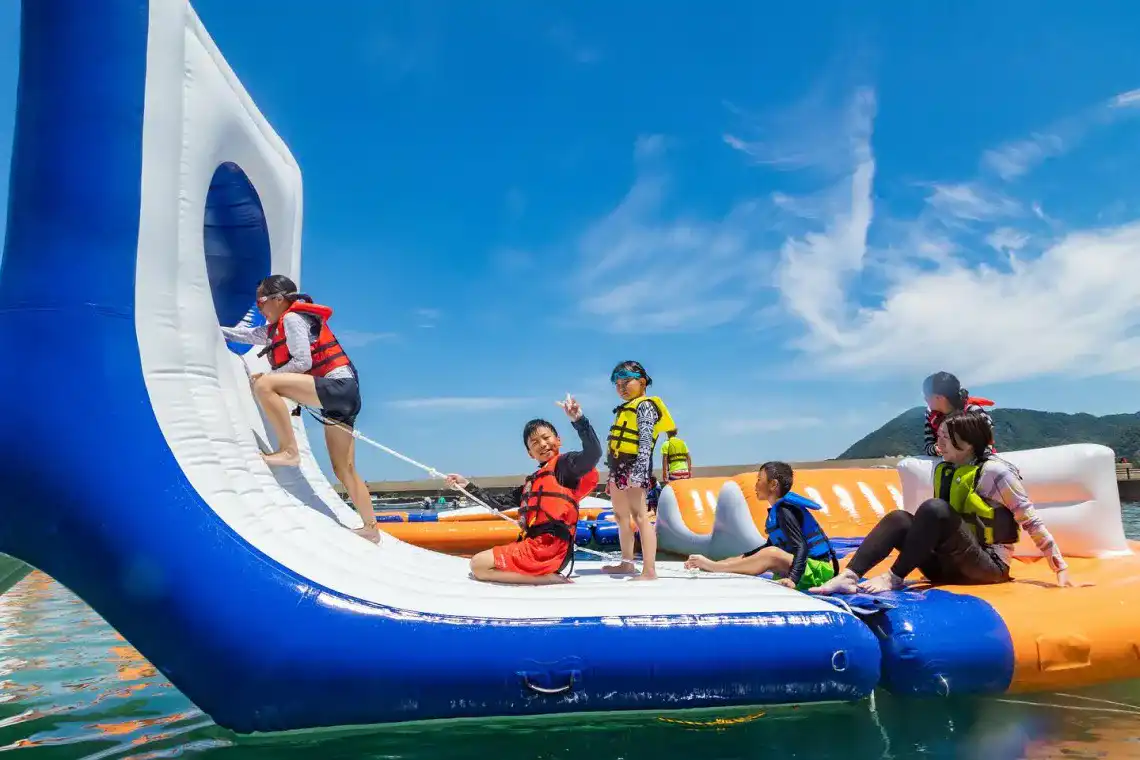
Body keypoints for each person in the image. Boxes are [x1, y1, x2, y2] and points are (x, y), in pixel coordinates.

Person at [813, 411, 1082, 596]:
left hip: (987, 568)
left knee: (935, 508)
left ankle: (894, 577)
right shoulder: (948, 470)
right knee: (899, 518)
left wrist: (1060, 566)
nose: (937, 443)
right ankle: (849, 577)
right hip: (946, 566)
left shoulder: (996, 473)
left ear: (966, 443)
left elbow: (1030, 519)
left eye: (944, 437)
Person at [221, 275, 377, 540]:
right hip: (345, 397)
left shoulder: (292, 319)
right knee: (344, 468)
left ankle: (289, 451)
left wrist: (270, 377)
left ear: (278, 299)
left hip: (338, 387)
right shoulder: (277, 327)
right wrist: (213, 328)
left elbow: (303, 362)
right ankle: (371, 529)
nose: (259, 308)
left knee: (264, 384)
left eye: (261, 301)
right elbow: (247, 335)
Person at [446, 395, 601, 585]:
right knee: (481, 564)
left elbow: (593, 453)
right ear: (530, 453)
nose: (542, 444)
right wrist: (466, 486)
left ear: (558, 440)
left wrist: (579, 420)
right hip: (538, 547)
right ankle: (543, 575)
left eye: (546, 438)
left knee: (478, 564)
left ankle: (547, 579)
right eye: (535, 443)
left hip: (551, 549)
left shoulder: (566, 466)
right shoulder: (533, 482)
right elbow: (498, 503)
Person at [685, 462, 839, 590]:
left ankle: (715, 567)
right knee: (747, 556)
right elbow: (767, 547)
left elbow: (801, 546)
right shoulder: (778, 511)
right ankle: (716, 566)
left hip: (818, 572)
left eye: (759, 480)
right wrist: (737, 558)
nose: (756, 485)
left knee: (771, 554)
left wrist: (793, 579)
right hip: (806, 569)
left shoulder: (785, 510)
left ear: (773, 484)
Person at [603, 361, 676, 581]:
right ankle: (627, 564)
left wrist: (640, 471)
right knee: (620, 516)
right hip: (617, 468)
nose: (622, 388)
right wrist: (611, 477)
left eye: (626, 382)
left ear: (642, 382)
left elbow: (645, 441)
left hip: (635, 466)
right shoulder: (625, 409)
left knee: (640, 516)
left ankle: (649, 570)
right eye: (618, 384)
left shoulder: (645, 406)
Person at [923, 371, 995, 456]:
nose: (925, 399)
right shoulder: (930, 417)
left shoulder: (973, 411)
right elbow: (928, 446)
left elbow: (988, 440)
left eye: (926, 396)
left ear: (939, 397)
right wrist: (936, 449)